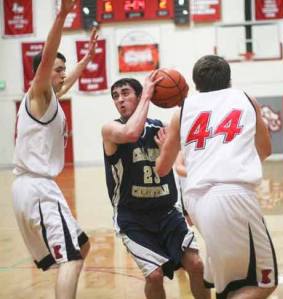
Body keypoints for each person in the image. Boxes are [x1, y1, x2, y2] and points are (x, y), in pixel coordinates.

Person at [155, 55, 278, 299]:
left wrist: (162, 151)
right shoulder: (245, 99)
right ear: (229, 78)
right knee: (265, 283)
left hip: (197, 203)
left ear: (195, 83)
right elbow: (265, 150)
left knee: (229, 284)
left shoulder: (182, 111)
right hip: (235, 197)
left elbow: (161, 169)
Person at [12, 1, 98, 298]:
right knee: (71, 259)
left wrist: (85, 60)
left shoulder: (50, 99)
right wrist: (62, 16)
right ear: (43, 72)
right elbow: (49, 56)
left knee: (82, 245)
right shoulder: (38, 92)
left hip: (34, 188)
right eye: (57, 69)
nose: (62, 75)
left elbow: (67, 81)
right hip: (37, 189)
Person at [102, 74, 210, 299]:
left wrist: (167, 149)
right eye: (115, 96)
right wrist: (148, 95)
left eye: (125, 94)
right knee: (154, 276)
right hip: (133, 218)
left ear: (138, 96)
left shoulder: (162, 128)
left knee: (197, 265)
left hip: (167, 214)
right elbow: (131, 133)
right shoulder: (110, 130)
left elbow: (179, 165)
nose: (120, 100)